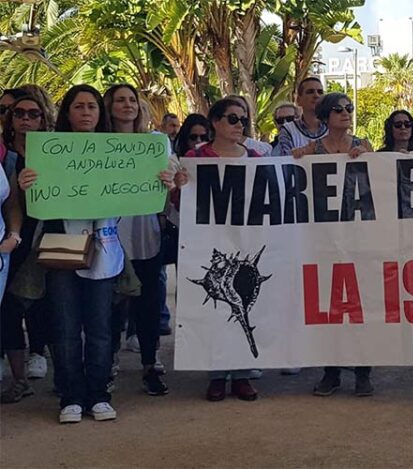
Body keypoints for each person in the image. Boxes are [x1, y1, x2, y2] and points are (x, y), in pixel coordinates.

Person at [18, 85, 124, 423]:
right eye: (78, 106)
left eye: (92, 106)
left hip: (105, 251)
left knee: (100, 328)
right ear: (67, 112)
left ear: (100, 113)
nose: (86, 112)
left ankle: (99, 394)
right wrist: (27, 182)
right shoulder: (47, 152)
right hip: (61, 249)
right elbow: (32, 203)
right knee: (64, 326)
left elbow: (140, 192)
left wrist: (163, 180)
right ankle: (70, 396)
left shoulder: (120, 153)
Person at [292, 93, 374, 395]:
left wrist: (368, 160)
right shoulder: (311, 150)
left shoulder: (363, 146)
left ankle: (364, 371)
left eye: (349, 108)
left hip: (359, 237)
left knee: (361, 305)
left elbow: (378, 183)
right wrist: (298, 161)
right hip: (323, 239)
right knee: (328, 305)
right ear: (325, 117)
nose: (345, 113)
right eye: (338, 109)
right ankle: (331, 371)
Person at [181, 98, 261, 402]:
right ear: (214, 122)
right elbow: (181, 204)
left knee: (244, 306)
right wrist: (180, 184)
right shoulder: (195, 157)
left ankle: (241, 374)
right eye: (232, 118)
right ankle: (216, 375)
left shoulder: (255, 158)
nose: (239, 124)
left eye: (243, 120)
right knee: (215, 309)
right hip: (209, 246)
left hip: (246, 243)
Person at [104, 84, 169, 396]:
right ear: (109, 106)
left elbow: (175, 176)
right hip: (107, 237)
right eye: (120, 100)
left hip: (146, 236)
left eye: (132, 99)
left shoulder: (155, 143)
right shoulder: (94, 145)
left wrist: (174, 179)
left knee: (149, 303)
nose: (127, 105)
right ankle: (109, 363)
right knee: (111, 306)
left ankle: (150, 363)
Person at [0, 94, 52, 403]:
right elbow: (9, 201)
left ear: (43, 119)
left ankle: (60, 371)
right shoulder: (4, 155)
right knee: (8, 309)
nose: (26, 118)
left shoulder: (56, 153)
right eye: (18, 113)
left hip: (50, 237)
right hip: (14, 243)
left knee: (52, 307)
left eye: (34, 113)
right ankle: (19, 379)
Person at [275, 77, 328, 156]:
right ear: (298, 100)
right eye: (310, 92)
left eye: (320, 92)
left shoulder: (334, 127)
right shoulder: (288, 130)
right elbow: (286, 162)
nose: (316, 95)